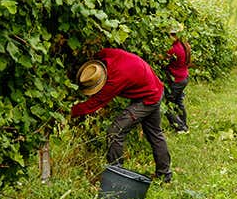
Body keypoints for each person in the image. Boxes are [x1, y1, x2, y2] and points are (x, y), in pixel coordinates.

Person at [71, 45, 173, 183]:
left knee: (115, 131)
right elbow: (98, 53)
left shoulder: (115, 80)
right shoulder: (106, 54)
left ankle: (116, 174)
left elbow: (93, 104)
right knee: (155, 134)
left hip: (148, 98)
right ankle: (164, 174)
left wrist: (69, 112)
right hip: (154, 88)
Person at [163, 25, 190, 133]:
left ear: (172, 35)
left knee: (166, 105)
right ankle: (183, 123)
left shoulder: (174, 49)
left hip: (177, 81)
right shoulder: (184, 45)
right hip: (184, 78)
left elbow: (162, 60)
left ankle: (180, 127)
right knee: (179, 102)